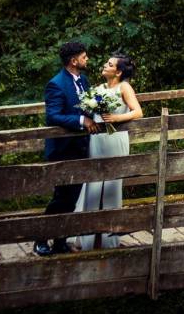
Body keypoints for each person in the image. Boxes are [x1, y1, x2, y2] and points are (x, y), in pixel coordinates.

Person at [35, 42, 99, 257]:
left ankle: (60, 242)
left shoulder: (83, 80)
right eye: (84, 56)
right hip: (63, 149)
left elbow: (88, 105)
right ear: (73, 61)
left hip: (80, 147)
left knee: (71, 199)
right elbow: (53, 116)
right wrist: (81, 120)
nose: (87, 59)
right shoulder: (56, 84)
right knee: (60, 198)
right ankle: (40, 240)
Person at [75, 52, 143, 250]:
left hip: (115, 138)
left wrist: (116, 118)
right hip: (97, 139)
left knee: (113, 185)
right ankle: (87, 239)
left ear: (118, 72)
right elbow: (87, 109)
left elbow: (138, 111)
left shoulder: (124, 87)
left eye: (110, 64)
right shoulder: (98, 88)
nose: (105, 65)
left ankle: (110, 240)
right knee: (92, 185)